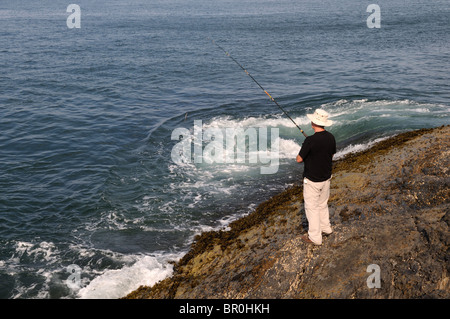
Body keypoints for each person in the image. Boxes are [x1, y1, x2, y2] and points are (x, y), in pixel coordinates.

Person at [296, 109, 336, 245]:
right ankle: (326, 228)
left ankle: (315, 237)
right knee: (322, 204)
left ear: (313, 122)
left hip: (312, 180)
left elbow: (299, 159)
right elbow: (330, 155)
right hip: (326, 177)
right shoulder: (331, 137)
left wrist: (308, 147)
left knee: (311, 208)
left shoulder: (310, 141)